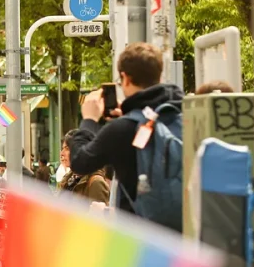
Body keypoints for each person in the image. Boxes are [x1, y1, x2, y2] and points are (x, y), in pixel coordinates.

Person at [69, 42, 183, 214]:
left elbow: (80, 162)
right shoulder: (185, 115)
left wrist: (89, 121)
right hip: (186, 230)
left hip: (141, 231)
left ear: (126, 78)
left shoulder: (122, 129)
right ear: (159, 77)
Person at [58, 130, 110, 204]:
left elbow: (98, 214)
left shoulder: (96, 183)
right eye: (62, 149)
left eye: (67, 149)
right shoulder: (69, 179)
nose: (62, 153)